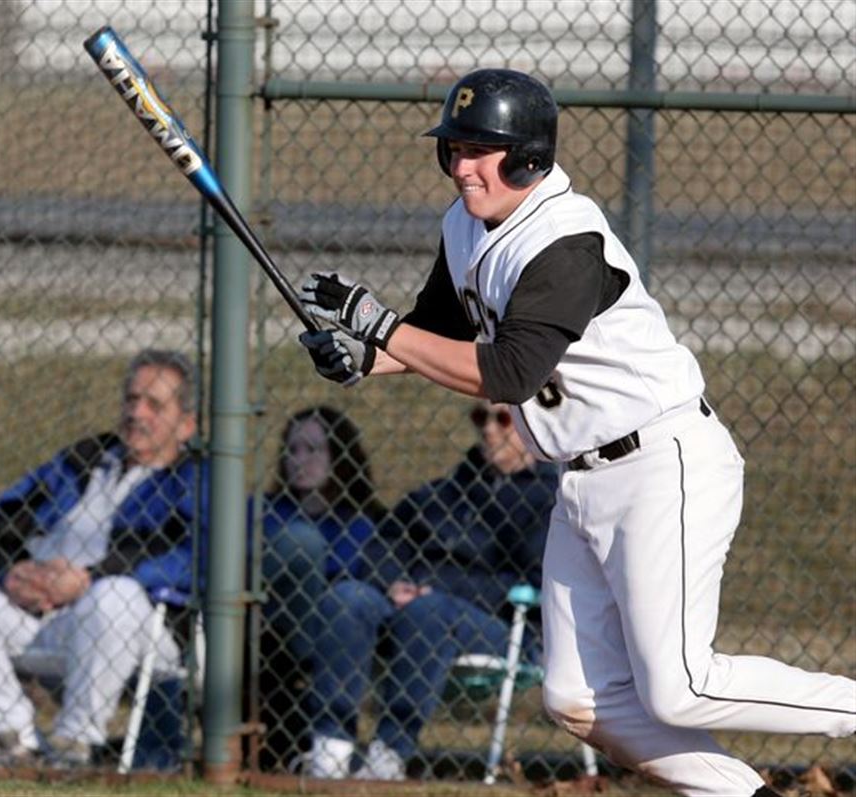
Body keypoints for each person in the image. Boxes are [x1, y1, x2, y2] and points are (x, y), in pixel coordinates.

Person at [296, 69, 855, 795]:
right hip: (581, 477)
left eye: (480, 150)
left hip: (662, 462)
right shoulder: (464, 224)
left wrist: (381, 328)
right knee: (576, 697)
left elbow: (509, 373)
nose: (462, 166)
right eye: (454, 149)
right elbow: (438, 331)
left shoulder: (567, 239)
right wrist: (364, 358)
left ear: (527, 156)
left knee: (679, 687)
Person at [0, 349, 207, 770]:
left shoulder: (196, 476)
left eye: (154, 404)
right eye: (131, 399)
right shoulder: (85, 460)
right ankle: (15, 740)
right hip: (48, 616)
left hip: (143, 626)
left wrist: (89, 579)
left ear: (186, 425)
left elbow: (195, 557)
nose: (135, 413)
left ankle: (72, 747)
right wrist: (12, 572)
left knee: (114, 596)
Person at [303, 401, 557, 780]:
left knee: (430, 610)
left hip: (498, 624)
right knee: (348, 598)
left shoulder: (550, 501)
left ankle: (389, 754)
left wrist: (431, 589)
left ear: (530, 422)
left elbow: (533, 579)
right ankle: (331, 747)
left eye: (502, 418)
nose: (489, 430)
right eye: (479, 418)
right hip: (410, 603)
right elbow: (382, 546)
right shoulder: (444, 492)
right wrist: (394, 582)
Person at [254, 405, 385, 771]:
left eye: (313, 450)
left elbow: (352, 575)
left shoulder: (362, 521)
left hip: (327, 631)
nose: (299, 460)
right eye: (292, 450)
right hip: (267, 623)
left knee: (303, 544)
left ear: (340, 455)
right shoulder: (265, 511)